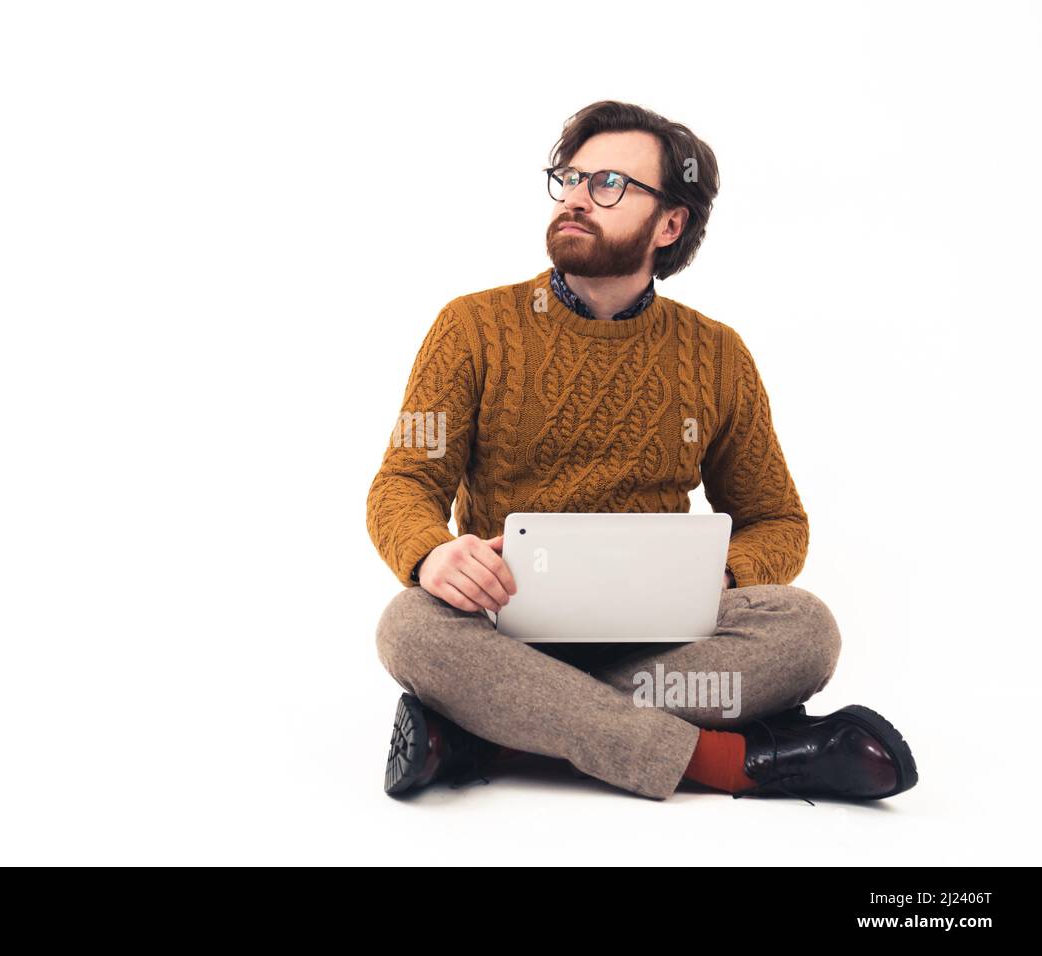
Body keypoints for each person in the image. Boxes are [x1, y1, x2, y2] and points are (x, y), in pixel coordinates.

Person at [367, 100, 918, 803]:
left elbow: (777, 519)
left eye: (609, 184)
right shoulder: (470, 327)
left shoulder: (717, 355)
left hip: (661, 647)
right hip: (504, 632)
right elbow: (403, 482)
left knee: (807, 631)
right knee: (409, 628)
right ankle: (725, 763)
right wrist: (433, 553)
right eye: (569, 178)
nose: (575, 198)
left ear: (670, 222)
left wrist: (721, 577)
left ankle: (493, 730)